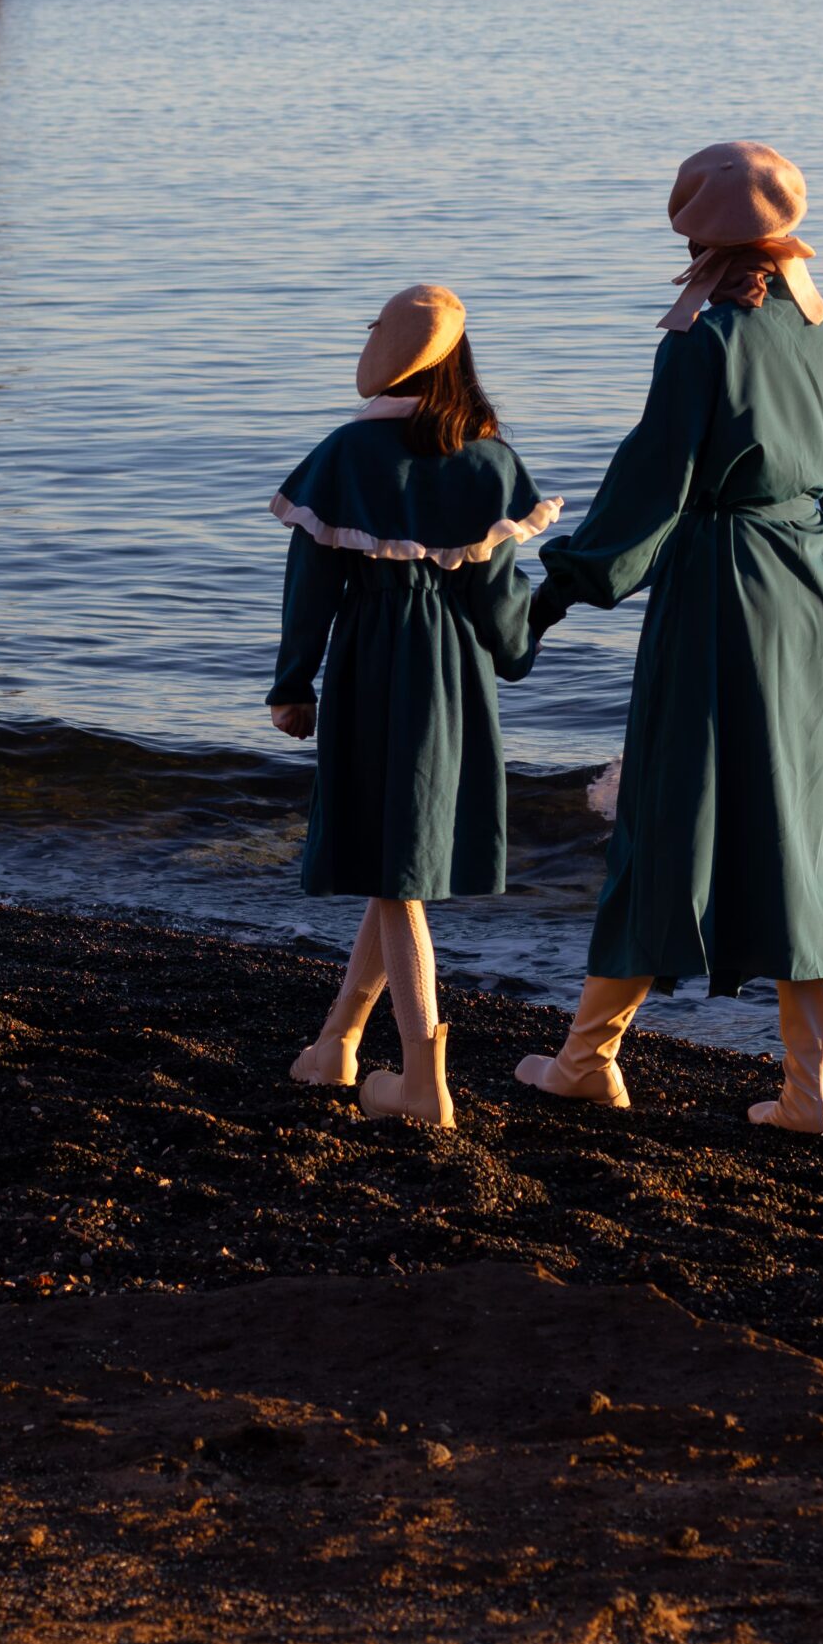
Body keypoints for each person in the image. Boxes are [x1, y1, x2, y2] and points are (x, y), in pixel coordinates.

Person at [517, 142, 823, 1135]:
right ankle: (808, 1091)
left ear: (700, 234)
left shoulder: (701, 342)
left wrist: (560, 589)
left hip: (717, 594)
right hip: (810, 597)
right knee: (803, 830)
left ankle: (585, 1061)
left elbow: (653, 486)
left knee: (672, 816)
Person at [268, 284, 562, 1128]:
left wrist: (294, 683)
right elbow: (500, 601)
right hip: (453, 673)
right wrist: (517, 651)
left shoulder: (341, 456)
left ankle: (426, 1085)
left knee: (395, 871)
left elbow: (310, 586)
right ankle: (336, 1046)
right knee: (396, 864)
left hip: (370, 663)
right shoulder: (486, 458)